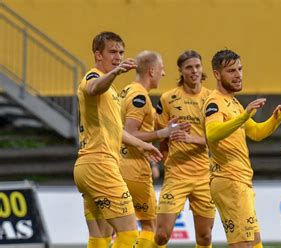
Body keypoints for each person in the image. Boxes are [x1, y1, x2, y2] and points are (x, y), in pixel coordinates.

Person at [74, 31, 162, 248]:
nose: (118, 56)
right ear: (98, 55)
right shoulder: (93, 77)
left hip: (86, 167)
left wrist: (144, 145)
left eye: (121, 52)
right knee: (129, 232)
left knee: (100, 237)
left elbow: (115, 130)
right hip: (100, 165)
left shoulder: (111, 91)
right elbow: (94, 87)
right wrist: (114, 72)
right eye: (112, 52)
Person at [204, 49, 281, 248]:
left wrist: (276, 118)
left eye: (240, 69)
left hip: (241, 181)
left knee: (255, 244)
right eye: (231, 71)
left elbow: (256, 133)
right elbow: (212, 133)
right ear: (217, 74)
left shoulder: (233, 103)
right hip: (230, 181)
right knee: (243, 244)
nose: (238, 75)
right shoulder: (215, 102)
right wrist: (244, 115)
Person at [119, 51, 188, 248]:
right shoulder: (140, 97)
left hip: (118, 166)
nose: (163, 73)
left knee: (121, 229)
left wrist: (160, 128)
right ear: (151, 71)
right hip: (133, 170)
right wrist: (164, 132)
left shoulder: (126, 91)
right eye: (161, 69)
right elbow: (129, 133)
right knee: (152, 227)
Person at [154, 50, 215, 248]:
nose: (194, 71)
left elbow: (220, 139)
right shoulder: (168, 99)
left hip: (204, 176)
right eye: (189, 67)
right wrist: (164, 161)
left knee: (204, 237)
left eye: (197, 66)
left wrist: (191, 138)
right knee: (162, 235)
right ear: (181, 70)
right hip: (176, 175)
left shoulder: (212, 99)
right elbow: (161, 135)